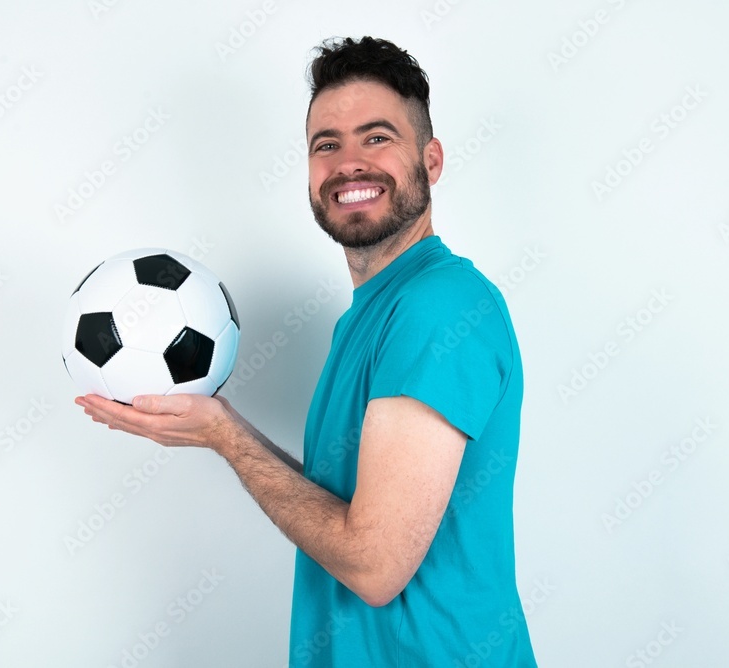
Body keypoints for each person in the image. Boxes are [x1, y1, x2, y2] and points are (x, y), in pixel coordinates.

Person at [76, 35, 537, 667]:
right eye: (328, 144)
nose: (349, 163)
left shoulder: (440, 307)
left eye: (377, 137)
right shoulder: (373, 314)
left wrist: (228, 442)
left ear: (431, 161)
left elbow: (374, 566)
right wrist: (224, 428)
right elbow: (351, 511)